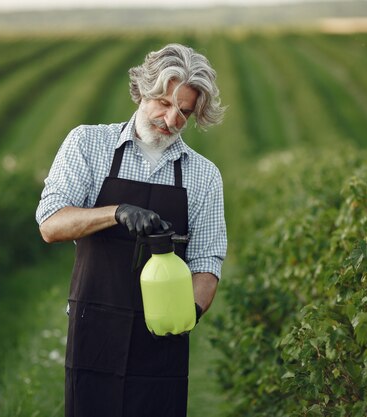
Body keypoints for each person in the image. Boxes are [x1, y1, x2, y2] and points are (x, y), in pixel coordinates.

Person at [36, 43, 227, 417]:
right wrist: (115, 212)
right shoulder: (88, 145)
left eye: (184, 112)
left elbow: (207, 261)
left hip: (162, 341)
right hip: (95, 331)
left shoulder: (203, 175)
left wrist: (186, 314)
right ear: (142, 90)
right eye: (163, 102)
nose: (171, 119)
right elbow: (51, 223)